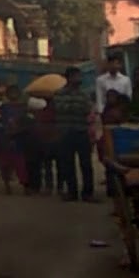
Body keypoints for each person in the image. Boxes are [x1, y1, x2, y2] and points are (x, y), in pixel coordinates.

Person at [53, 66, 96, 202]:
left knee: (86, 164)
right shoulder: (59, 93)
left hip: (81, 131)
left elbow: (86, 109)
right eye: (76, 76)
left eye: (79, 76)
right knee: (68, 164)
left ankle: (88, 193)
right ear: (69, 78)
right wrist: (76, 107)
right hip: (65, 132)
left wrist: (72, 107)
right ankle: (72, 192)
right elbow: (60, 108)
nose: (79, 79)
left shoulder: (84, 94)